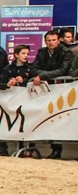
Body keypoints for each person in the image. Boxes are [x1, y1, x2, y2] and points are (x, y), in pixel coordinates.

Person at [30, 31, 72, 159]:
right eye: (48, 40)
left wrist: (42, 75)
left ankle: (57, 149)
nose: (51, 43)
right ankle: (32, 147)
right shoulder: (42, 52)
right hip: (43, 88)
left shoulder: (66, 53)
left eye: (53, 40)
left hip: (60, 89)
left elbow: (63, 70)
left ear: (58, 40)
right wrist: (39, 76)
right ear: (45, 41)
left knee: (57, 118)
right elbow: (34, 68)